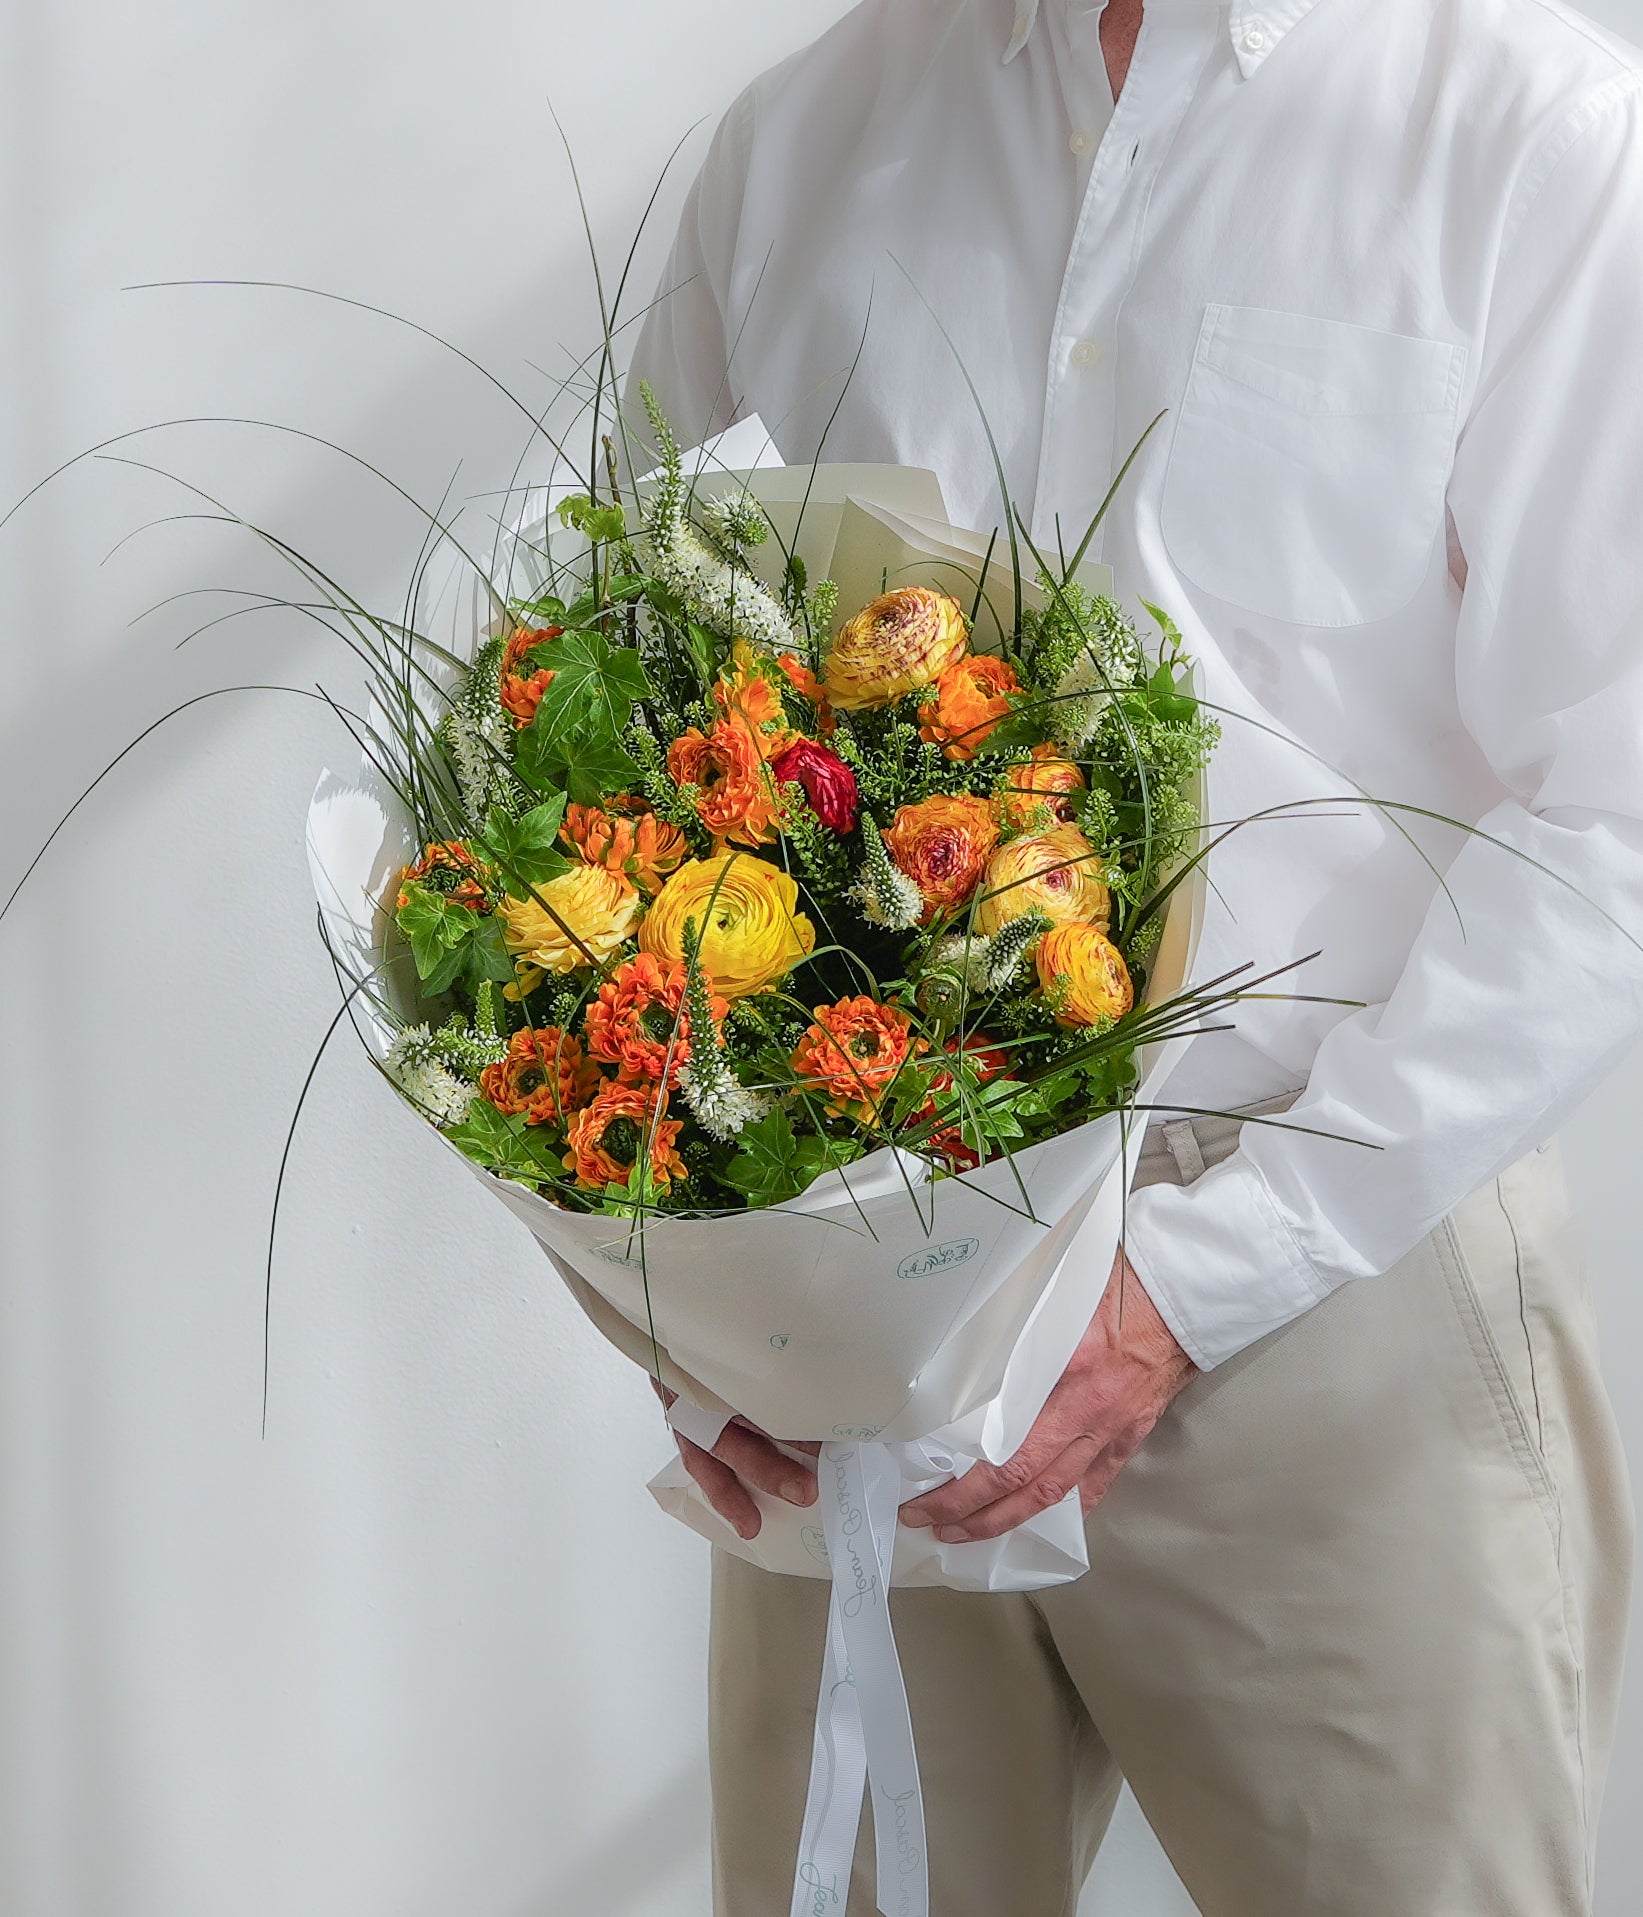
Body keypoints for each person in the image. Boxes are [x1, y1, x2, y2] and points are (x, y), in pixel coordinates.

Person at [624, 0, 1643, 1909]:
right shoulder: (796, 146)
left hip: (1335, 1281)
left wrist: (1195, 1281)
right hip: (855, 1308)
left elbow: (1621, 805)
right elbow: (649, 733)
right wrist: (690, 1299)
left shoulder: (1540, 131)